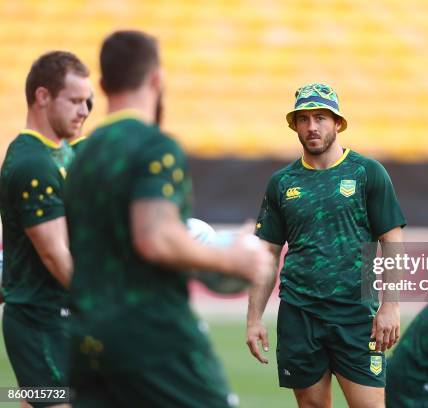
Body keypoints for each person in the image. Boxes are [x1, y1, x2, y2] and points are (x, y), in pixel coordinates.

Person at [64, 30, 272, 407]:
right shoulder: (154, 145)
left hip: (87, 338)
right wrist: (233, 259)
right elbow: (155, 237)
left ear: (103, 85)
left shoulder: (82, 157)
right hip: (152, 334)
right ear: (157, 79)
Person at [246, 82, 406, 408]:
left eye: (320, 117)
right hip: (299, 314)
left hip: (356, 315)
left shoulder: (367, 173)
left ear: (338, 123)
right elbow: (268, 253)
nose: (312, 127)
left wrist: (390, 306)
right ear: (294, 125)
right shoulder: (282, 183)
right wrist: (254, 318)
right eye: (303, 119)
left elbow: (392, 242)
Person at [0, 51, 91, 407]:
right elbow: (54, 254)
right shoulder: (33, 164)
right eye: (75, 101)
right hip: (40, 322)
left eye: (87, 102)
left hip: (55, 319)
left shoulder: (55, 153)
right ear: (42, 97)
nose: (84, 111)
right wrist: (99, 301)